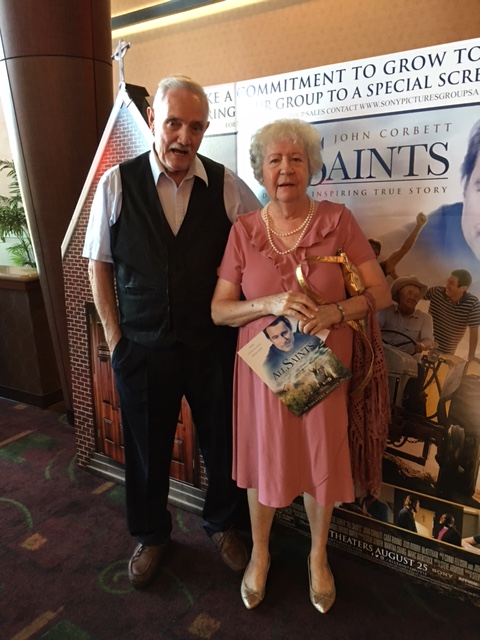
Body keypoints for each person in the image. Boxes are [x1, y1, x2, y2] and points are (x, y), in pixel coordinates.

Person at [83, 75, 261, 589]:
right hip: (142, 349)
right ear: (153, 120)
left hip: (213, 348)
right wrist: (116, 342)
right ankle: (152, 534)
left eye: (196, 127)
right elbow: (99, 264)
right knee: (145, 451)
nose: (184, 137)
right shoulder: (116, 183)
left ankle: (224, 524)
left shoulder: (228, 186)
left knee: (223, 445)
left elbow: (261, 251)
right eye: (174, 123)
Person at [211, 118, 391, 613]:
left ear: (311, 167)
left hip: (321, 368)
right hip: (262, 372)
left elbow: (380, 293)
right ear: (260, 171)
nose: (285, 169)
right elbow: (220, 311)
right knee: (264, 462)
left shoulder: (338, 221)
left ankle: (317, 556)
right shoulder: (244, 231)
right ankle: (260, 553)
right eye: (275, 160)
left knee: (321, 462)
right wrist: (269, 303)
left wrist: (336, 312)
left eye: (296, 159)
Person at [377, 275, 434, 414]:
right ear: (399, 295)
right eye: (409, 293)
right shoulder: (386, 310)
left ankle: (407, 408)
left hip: (409, 363)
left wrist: (421, 346)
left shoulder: (425, 318)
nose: (413, 298)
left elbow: (428, 340)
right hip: (382, 358)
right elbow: (373, 330)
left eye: (416, 296)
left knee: (420, 370)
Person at [424, 269, 480, 361]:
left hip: (445, 355)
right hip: (423, 346)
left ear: (463, 288)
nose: (447, 285)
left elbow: (474, 330)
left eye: (451, 283)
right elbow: (414, 295)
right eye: (448, 281)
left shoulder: (472, 304)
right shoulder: (436, 292)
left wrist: (471, 355)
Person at [369, 211, 427, 280]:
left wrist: (418, 226)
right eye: (370, 250)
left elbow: (403, 249)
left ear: (378, 255)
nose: (372, 252)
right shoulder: (356, 264)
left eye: (375, 253)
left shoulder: (382, 269)